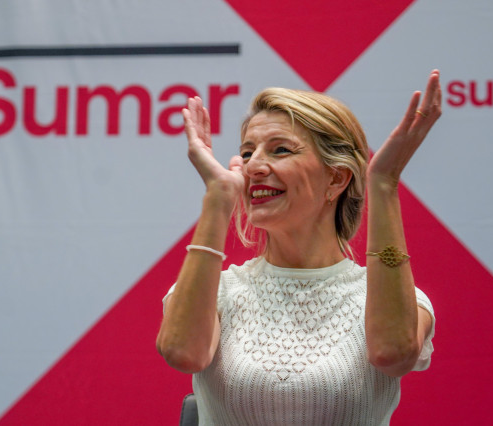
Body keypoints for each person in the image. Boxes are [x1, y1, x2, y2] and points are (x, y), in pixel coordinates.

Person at [157, 70, 442, 425]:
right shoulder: (219, 291)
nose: (254, 166)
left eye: (280, 150)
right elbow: (183, 353)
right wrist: (218, 198)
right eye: (247, 153)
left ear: (336, 178)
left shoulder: (396, 299)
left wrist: (383, 183)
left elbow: (393, 354)